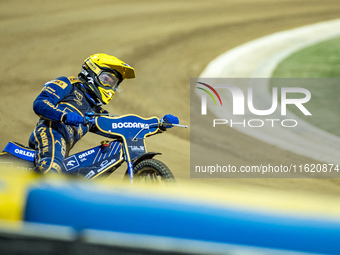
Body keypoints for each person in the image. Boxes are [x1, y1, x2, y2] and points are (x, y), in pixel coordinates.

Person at [28, 53, 179, 174]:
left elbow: (123, 126)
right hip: (50, 132)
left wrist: (159, 124)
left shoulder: (96, 111)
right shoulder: (68, 84)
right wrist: (64, 116)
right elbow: (40, 103)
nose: (110, 86)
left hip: (64, 146)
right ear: (92, 72)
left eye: (114, 84)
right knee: (51, 171)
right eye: (107, 79)